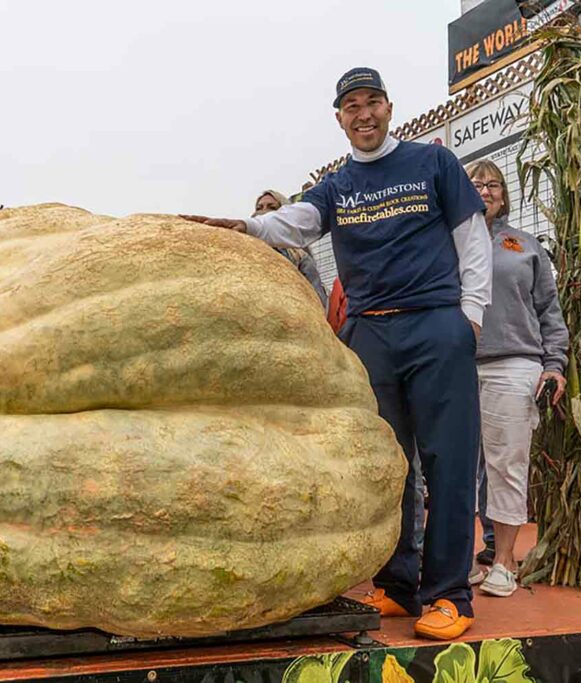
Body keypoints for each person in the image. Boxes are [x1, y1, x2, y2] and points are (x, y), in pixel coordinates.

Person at [183, 67, 492, 640]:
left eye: (372, 102)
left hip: (435, 324)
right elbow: (297, 222)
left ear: (389, 107)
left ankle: (450, 595)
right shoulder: (337, 184)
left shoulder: (434, 163)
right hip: (369, 334)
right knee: (384, 465)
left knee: (448, 462)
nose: (364, 114)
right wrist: (246, 227)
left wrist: (470, 316)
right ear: (340, 118)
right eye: (352, 106)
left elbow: (472, 237)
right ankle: (399, 584)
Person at [465, 159, 568, 597]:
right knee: (454, 469)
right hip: (455, 365)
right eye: (475, 183)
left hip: (513, 364)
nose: (485, 189)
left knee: (507, 464)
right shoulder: (446, 244)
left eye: (493, 184)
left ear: (504, 196)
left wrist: (554, 364)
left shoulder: (522, 246)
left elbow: (549, 310)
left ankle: (504, 560)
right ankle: (461, 561)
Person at [253, 190, 327, 306]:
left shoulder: (300, 257)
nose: (264, 211)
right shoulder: (247, 252)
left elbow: (318, 301)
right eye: (259, 208)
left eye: (272, 207)